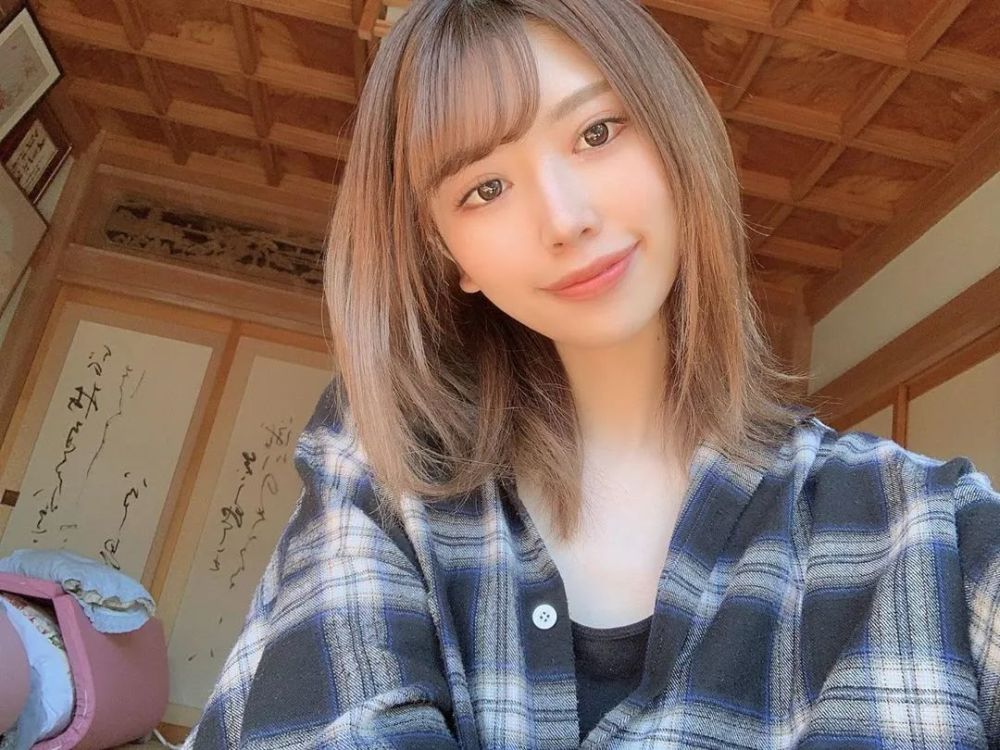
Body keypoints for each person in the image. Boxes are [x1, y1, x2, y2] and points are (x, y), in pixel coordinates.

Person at [182, 0, 1000, 747]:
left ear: (675, 134)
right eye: (485, 187)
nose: (565, 218)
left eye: (598, 131)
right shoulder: (389, 467)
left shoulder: (925, 526)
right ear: (450, 254)